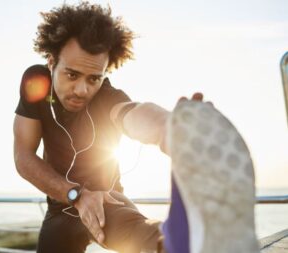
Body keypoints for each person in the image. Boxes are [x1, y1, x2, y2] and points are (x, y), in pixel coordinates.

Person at [13, 2, 259, 253]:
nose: (82, 90)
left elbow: (131, 113)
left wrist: (170, 129)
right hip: (60, 206)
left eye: (93, 78)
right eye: (72, 75)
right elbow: (23, 156)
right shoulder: (36, 82)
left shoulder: (107, 96)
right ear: (51, 62)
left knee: (146, 237)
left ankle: (191, 241)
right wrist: (77, 195)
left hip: (105, 199)